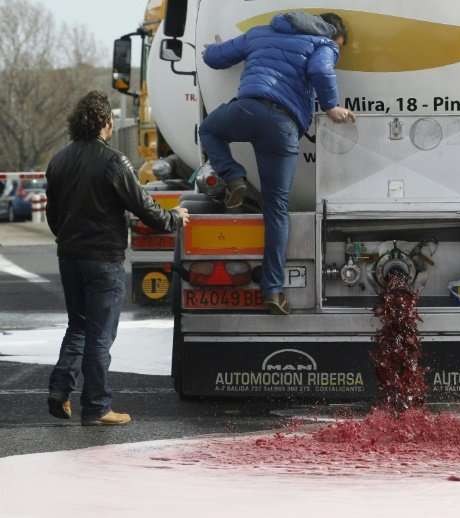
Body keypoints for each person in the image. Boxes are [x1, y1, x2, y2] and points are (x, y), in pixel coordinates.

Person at [45, 91, 190, 426]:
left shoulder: (59, 160)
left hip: (69, 256)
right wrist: (174, 217)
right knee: (100, 334)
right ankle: (96, 407)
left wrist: (67, 236)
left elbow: (53, 214)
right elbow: (144, 207)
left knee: (78, 327)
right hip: (104, 259)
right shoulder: (113, 161)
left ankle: (59, 391)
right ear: (105, 124)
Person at [199, 11, 356, 315]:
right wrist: (331, 106)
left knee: (209, 129)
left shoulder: (259, 32)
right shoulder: (323, 43)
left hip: (247, 109)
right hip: (282, 126)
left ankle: (234, 177)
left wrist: (209, 49)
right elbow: (321, 71)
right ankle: (272, 290)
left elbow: (215, 58)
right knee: (276, 210)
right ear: (335, 34)